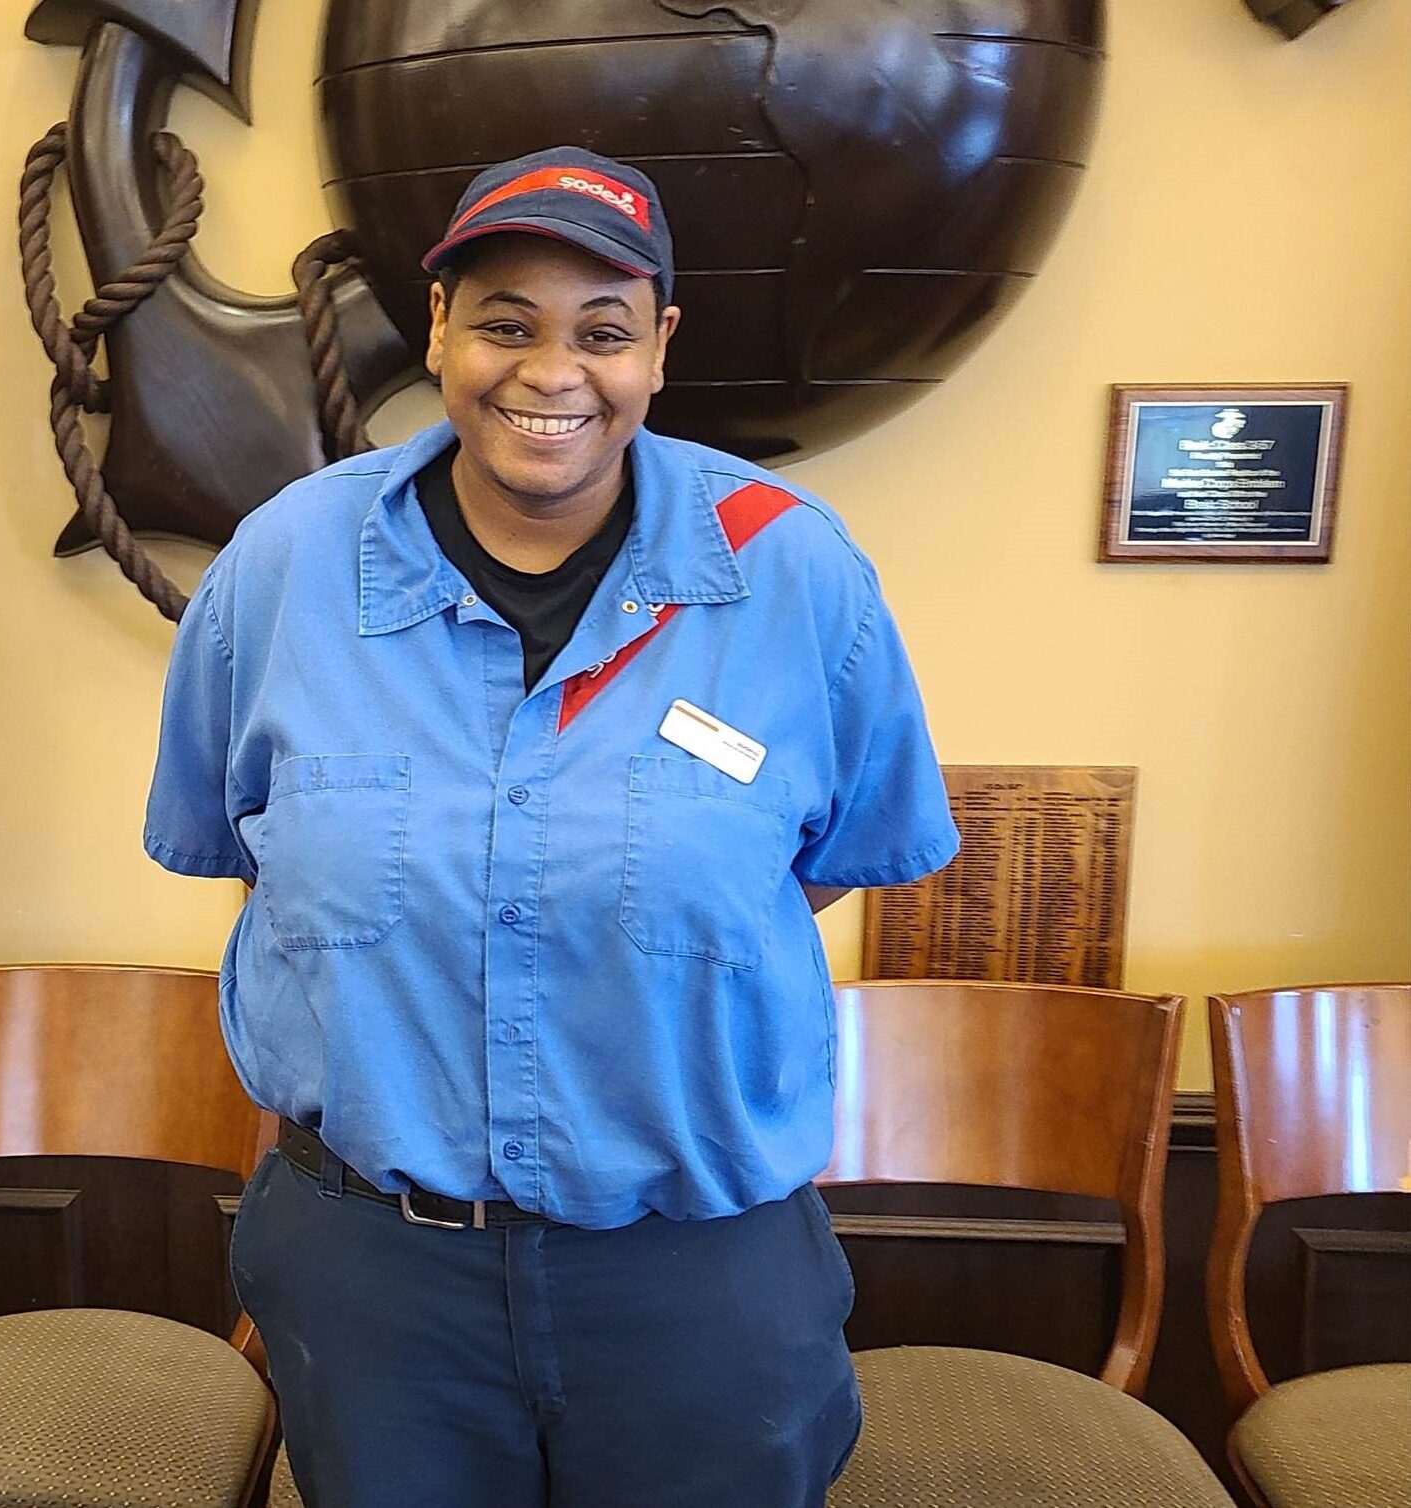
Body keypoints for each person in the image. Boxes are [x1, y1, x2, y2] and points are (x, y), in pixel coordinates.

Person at [145, 147, 958, 1508]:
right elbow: (248, 852)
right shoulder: (283, 566)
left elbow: (811, 871)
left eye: (603, 331)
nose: (552, 371)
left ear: (660, 349)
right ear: (441, 329)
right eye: (506, 323)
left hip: (697, 1278)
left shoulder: (796, 573)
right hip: (377, 1283)